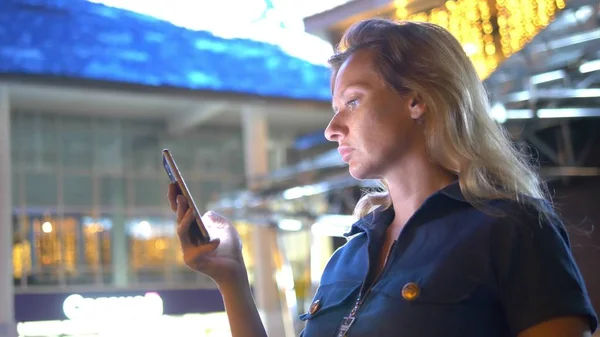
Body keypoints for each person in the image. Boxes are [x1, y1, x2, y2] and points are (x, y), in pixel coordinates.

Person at [167, 19, 598, 337]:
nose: (332, 127)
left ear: (416, 100)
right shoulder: (348, 256)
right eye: (334, 107)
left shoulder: (513, 227)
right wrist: (232, 279)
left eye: (352, 101)